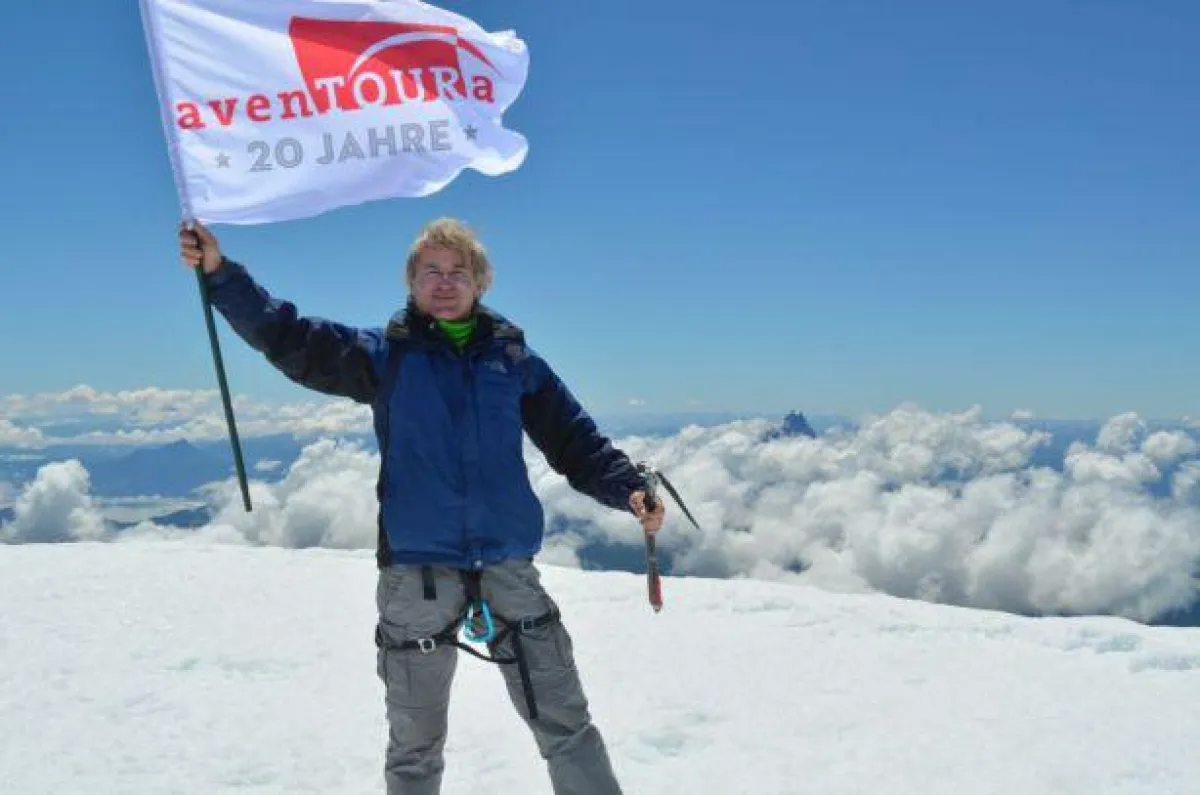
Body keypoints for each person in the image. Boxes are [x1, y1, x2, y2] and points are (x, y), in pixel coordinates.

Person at [178, 217, 665, 795]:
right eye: (431, 270)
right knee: (415, 746)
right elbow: (292, 339)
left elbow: (575, 443)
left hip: (506, 567)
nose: (444, 281)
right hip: (417, 575)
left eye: (458, 271)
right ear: (411, 282)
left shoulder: (516, 363)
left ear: (479, 283)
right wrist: (221, 275)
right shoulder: (386, 357)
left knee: (566, 726)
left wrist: (628, 488)